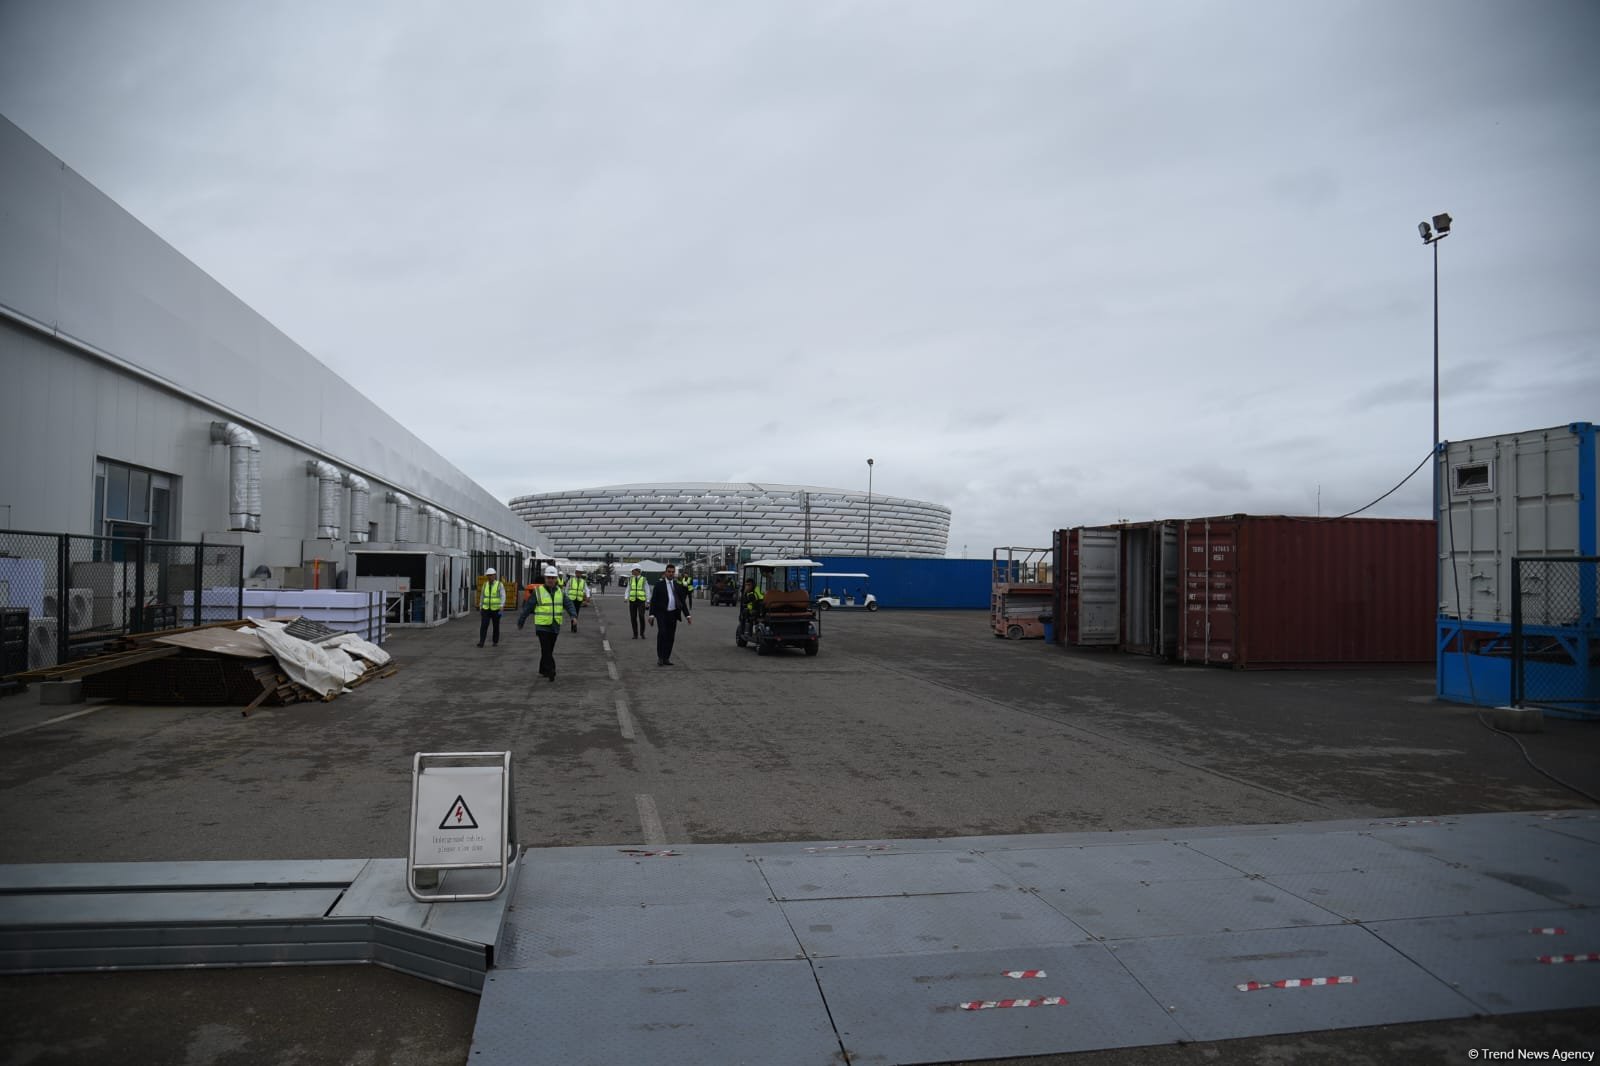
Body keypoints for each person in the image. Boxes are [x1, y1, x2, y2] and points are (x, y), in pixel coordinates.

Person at [529, 565, 576, 681]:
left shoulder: (560, 592)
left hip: (554, 626)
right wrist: (522, 619)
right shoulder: (538, 592)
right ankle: (551, 670)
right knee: (546, 648)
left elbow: (569, 604)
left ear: (556, 579)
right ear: (545, 578)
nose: (550, 580)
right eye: (548, 577)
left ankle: (542, 669)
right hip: (541, 626)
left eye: (553, 578)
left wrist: (573, 616)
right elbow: (529, 605)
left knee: (549, 649)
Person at [647, 562, 692, 665]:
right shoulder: (659, 585)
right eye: (669, 572)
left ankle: (666, 658)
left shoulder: (678, 586)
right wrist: (651, 615)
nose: (671, 574)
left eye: (673, 572)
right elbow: (654, 600)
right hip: (662, 614)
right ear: (665, 573)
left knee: (671, 636)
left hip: (673, 614)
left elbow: (682, 602)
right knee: (662, 633)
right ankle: (660, 657)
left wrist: (687, 615)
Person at [477, 567, 506, 647]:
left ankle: (495, 641)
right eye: (488, 575)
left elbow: (503, 595)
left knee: (496, 626)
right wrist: (480, 606)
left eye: (491, 575)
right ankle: (481, 642)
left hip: (496, 609)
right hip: (486, 609)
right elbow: (482, 596)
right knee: (484, 625)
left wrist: (501, 605)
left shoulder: (499, 584)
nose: (489, 577)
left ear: (494, 575)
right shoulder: (485, 584)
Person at [625, 565, 649, 639]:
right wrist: (626, 597)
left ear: (638, 570)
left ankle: (642, 633)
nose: (632, 572)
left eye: (633, 570)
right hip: (632, 600)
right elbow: (628, 589)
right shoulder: (630, 579)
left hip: (641, 600)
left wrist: (648, 600)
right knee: (633, 617)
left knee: (641, 616)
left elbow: (647, 590)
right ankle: (635, 634)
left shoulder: (644, 579)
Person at [564, 568, 591, 633]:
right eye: (578, 572)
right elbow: (566, 589)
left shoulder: (583, 581)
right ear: (575, 572)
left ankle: (574, 625)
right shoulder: (571, 580)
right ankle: (573, 626)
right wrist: (566, 598)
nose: (579, 574)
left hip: (579, 600)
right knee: (572, 613)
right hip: (571, 599)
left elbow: (587, 589)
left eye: (580, 572)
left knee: (576, 613)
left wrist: (588, 596)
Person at [738, 576, 762, 643]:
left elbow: (747, 600)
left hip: (757, 609)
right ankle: (745, 631)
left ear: (753, 585)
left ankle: (745, 633)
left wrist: (745, 593)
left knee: (745, 612)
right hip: (757, 608)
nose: (747, 587)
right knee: (745, 611)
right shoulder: (755, 590)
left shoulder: (753, 592)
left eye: (749, 585)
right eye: (746, 585)